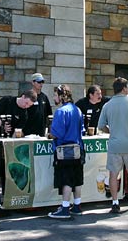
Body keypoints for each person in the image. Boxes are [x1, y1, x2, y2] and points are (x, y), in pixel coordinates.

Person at [97, 77, 128, 213]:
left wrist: (111, 130)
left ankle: (115, 202)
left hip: (115, 144)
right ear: (124, 88)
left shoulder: (107, 105)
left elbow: (101, 126)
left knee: (113, 174)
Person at [47, 84, 85, 219]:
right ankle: (77, 206)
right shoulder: (78, 110)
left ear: (62, 96)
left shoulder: (61, 111)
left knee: (66, 179)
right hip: (78, 148)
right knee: (77, 178)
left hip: (65, 150)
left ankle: (64, 209)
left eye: (55, 95)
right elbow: (82, 130)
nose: (54, 98)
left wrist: (48, 135)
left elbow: (56, 133)